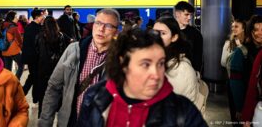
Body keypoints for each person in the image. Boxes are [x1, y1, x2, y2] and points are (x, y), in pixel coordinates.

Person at [77, 28, 207, 127]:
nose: (156, 74)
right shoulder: (94, 98)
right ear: (123, 63)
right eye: (145, 64)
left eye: (161, 63)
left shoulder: (182, 110)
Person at [38, 8, 120, 127]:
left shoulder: (121, 58)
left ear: (116, 31)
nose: (101, 29)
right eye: (98, 23)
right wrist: (45, 122)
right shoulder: (74, 50)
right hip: (71, 121)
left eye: (108, 26)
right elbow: (54, 87)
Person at [153, 16, 207, 114]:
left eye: (163, 33)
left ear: (174, 37)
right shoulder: (159, 62)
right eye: (154, 33)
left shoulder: (182, 70)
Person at [34, 16, 68, 117]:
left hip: (42, 70)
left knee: (43, 97)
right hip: (57, 70)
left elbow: (37, 53)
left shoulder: (39, 36)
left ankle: (42, 117)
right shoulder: (61, 36)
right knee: (56, 94)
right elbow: (63, 53)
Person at [220, 19, 247, 124]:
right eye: (232, 26)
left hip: (244, 82)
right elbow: (222, 62)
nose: (233, 28)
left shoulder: (246, 44)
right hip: (233, 81)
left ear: (243, 28)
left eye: (236, 26)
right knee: (235, 114)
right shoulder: (229, 43)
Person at [174, 1, 203, 73]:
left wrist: (196, 73)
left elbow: (198, 57)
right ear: (177, 14)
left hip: (188, 72)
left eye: (191, 15)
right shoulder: (169, 31)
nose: (189, 17)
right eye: (186, 14)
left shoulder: (196, 34)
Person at [22, 8, 45, 97]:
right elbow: (35, 44)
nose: (43, 17)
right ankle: (25, 93)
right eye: (42, 15)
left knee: (34, 76)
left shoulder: (29, 27)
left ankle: (29, 94)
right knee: (34, 76)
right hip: (34, 56)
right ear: (37, 17)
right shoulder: (35, 28)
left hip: (32, 56)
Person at [1, 10, 24, 79]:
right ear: (12, 18)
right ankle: (16, 80)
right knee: (21, 65)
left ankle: (8, 82)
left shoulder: (2, 26)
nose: (17, 18)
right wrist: (22, 48)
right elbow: (19, 40)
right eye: (16, 17)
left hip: (4, 50)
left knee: (7, 69)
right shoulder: (14, 28)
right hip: (13, 51)